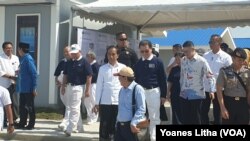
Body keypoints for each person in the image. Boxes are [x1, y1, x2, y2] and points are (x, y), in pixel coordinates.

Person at [134, 40, 167, 141]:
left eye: (146, 51)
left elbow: (163, 79)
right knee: (141, 115)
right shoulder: (138, 63)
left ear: (151, 49)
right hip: (141, 92)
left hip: (154, 91)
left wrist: (163, 96)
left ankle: (154, 137)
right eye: (142, 51)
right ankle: (142, 136)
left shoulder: (158, 61)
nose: (144, 53)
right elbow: (136, 80)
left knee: (154, 116)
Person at [94, 45, 126, 141]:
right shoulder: (102, 69)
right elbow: (99, 86)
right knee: (104, 123)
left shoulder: (123, 68)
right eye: (109, 54)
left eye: (113, 54)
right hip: (105, 101)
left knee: (116, 123)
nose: (111, 56)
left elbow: (126, 85)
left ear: (117, 55)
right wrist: (96, 102)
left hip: (119, 101)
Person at [180, 41, 215, 125]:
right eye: (183, 51)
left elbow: (210, 76)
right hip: (184, 94)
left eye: (186, 51)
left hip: (196, 94)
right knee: (185, 118)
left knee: (196, 118)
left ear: (193, 49)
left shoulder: (202, 61)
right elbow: (182, 76)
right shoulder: (183, 60)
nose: (185, 53)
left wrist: (212, 90)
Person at [61, 44, 92, 136]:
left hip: (79, 87)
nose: (73, 55)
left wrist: (87, 90)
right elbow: (65, 75)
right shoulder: (69, 62)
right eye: (72, 53)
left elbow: (89, 76)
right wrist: (63, 86)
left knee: (74, 108)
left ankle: (70, 128)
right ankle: (80, 127)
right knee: (72, 107)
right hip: (69, 86)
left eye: (75, 53)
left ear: (80, 52)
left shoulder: (84, 62)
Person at [202, 35, 232, 125]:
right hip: (206, 88)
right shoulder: (205, 55)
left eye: (212, 42)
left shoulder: (226, 57)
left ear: (219, 43)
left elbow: (230, 74)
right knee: (203, 112)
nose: (210, 44)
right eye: (209, 42)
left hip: (219, 90)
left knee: (217, 113)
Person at [217, 48, 250, 124]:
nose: (241, 62)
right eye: (239, 60)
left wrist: (248, 107)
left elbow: (249, 91)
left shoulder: (247, 72)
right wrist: (222, 108)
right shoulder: (224, 71)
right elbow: (219, 90)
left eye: (242, 60)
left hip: (243, 104)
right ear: (233, 58)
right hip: (229, 103)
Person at [114, 66, 146, 141]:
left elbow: (141, 109)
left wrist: (133, 123)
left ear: (125, 78)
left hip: (131, 127)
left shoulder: (138, 89)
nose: (118, 79)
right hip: (120, 127)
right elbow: (121, 108)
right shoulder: (121, 90)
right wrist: (117, 122)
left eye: (119, 77)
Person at [16, 42, 37, 130]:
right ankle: (22, 122)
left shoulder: (28, 59)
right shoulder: (23, 59)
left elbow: (34, 74)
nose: (18, 51)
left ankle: (31, 124)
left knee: (30, 107)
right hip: (23, 88)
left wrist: (34, 88)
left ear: (21, 49)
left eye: (18, 49)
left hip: (28, 88)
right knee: (22, 106)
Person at [0, 41, 20, 127]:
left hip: (14, 83)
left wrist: (17, 75)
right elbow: (0, 72)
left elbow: (17, 69)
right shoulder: (0, 58)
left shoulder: (15, 58)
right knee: (5, 103)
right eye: (7, 48)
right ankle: (3, 121)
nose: (9, 50)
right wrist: (10, 77)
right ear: (3, 49)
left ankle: (14, 120)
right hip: (3, 84)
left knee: (14, 103)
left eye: (11, 48)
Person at [54, 46, 71, 131]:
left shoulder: (73, 62)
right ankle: (73, 124)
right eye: (64, 52)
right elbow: (57, 74)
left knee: (69, 106)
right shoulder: (62, 62)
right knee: (67, 105)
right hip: (62, 87)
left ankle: (65, 123)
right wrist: (57, 81)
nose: (65, 53)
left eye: (67, 52)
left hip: (70, 87)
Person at [166, 52, 184, 125]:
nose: (177, 60)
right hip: (175, 93)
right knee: (175, 112)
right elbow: (170, 82)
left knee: (184, 112)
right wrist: (167, 93)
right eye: (176, 59)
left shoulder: (187, 68)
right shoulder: (174, 69)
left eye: (178, 59)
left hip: (185, 94)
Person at [84, 51, 99, 125]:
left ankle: (94, 117)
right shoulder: (88, 65)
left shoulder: (95, 65)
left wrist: (89, 75)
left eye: (88, 56)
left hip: (93, 85)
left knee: (93, 100)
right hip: (87, 84)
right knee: (87, 101)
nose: (87, 58)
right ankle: (89, 115)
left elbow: (96, 76)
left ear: (92, 57)